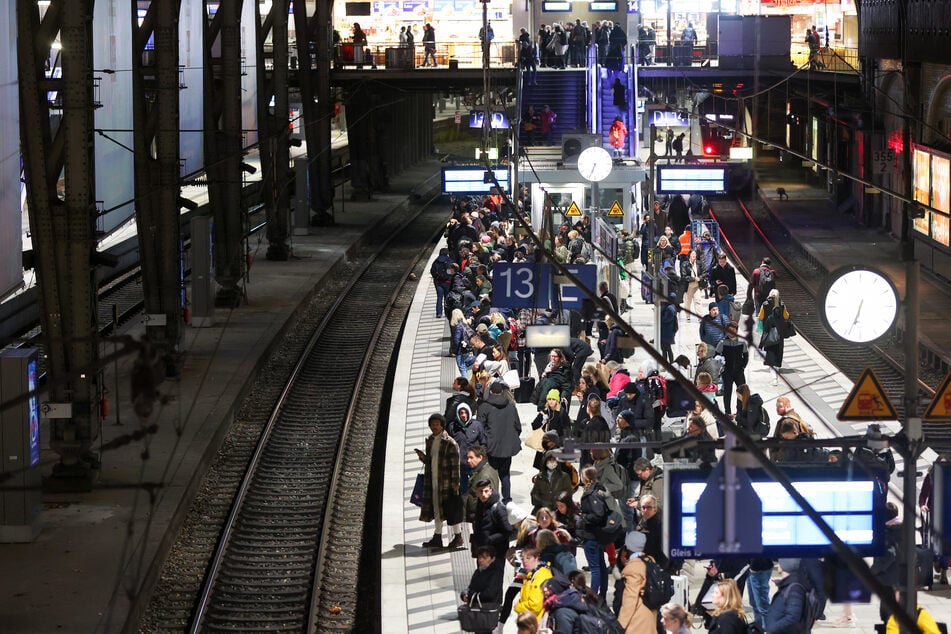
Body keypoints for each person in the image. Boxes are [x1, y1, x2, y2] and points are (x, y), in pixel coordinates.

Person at [415, 414, 464, 549]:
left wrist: (456, 483)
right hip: (433, 480)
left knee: (451, 509)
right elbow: (431, 461)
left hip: (447, 483)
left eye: (437, 424)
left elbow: (455, 464)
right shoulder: (430, 440)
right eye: (432, 424)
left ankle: (458, 537)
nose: (434, 427)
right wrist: (423, 458)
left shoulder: (450, 443)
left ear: (442, 426)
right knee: (437, 508)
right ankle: (437, 536)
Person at [478, 380, 523, 503]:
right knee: (505, 474)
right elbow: (518, 426)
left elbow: (480, 428)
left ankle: (492, 499)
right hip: (507, 447)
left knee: (490, 475)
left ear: (491, 392)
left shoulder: (484, 407)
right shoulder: (511, 406)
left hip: (490, 447)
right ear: (501, 392)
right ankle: (507, 499)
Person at [617, 531, 657, 632]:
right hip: (651, 616)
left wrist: (620, 626)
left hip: (637, 620)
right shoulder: (650, 561)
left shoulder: (633, 568)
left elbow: (630, 599)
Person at [461, 546, 505, 634]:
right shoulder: (478, 572)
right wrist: (464, 595)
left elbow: (490, 594)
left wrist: (471, 596)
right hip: (479, 611)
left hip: (489, 612)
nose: (481, 560)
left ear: (492, 559)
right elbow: (471, 588)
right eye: (479, 557)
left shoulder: (495, 573)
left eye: (484, 558)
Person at [470, 478, 515, 561]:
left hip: (496, 553)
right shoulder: (480, 506)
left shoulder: (498, 508)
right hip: (482, 551)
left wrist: (490, 539)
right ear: (477, 493)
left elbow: (508, 530)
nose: (483, 494)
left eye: (486, 491)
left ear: (491, 491)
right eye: (481, 491)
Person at [449, 402, 486, 492]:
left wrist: (482, 459)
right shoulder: (452, 427)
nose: (464, 415)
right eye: (461, 413)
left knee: (477, 487)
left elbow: (483, 443)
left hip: (475, 464)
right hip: (461, 464)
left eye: (466, 412)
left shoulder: (477, 425)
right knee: (463, 490)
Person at [715, 322, 748, 417]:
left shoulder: (742, 342)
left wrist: (742, 367)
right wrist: (722, 368)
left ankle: (740, 412)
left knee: (742, 392)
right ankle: (728, 412)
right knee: (727, 393)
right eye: (729, 330)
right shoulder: (722, 342)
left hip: (739, 372)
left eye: (733, 330)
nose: (731, 332)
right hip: (727, 372)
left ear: (737, 330)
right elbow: (716, 356)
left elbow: (746, 356)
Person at [765, 558, 806, 634]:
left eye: (780, 562)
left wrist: (772, 629)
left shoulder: (794, 588)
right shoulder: (789, 584)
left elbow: (793, 617)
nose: (778, 564)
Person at [760, 293, 791, 386]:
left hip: (770, 336)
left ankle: (774, 379)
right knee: (778, 356)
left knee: (771, 358)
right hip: (780, 336)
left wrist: (761, 343)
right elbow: (786, 316)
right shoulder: (782, 304)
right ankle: (776, 373)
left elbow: (760, 317)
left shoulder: (765, 305)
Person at [464, 446, 500, 522]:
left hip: (480, 517)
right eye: (468, 458)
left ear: (480, 457)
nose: (468, 460)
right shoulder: (484, 469)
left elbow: (488, 498)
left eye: (471, 458)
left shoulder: (484, 475)